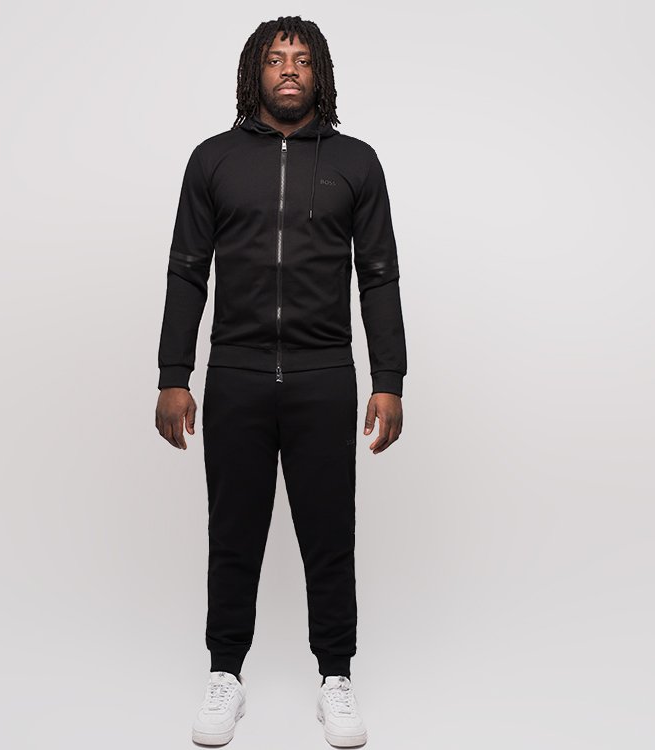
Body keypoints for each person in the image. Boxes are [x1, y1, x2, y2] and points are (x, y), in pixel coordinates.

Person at [154, 15, 407, 748]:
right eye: (274, 59)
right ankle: (224, 676)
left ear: (319, 72)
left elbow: (379, 275)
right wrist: (174, 374)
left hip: (324, 375)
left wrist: (388, 377)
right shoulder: (213, 160)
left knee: (329, 536)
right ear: (254, 73)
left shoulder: (356, 162)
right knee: (233, 534)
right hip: (235, 373)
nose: (288, 69)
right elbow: (186, 271)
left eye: (301, 59)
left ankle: (337, 678)